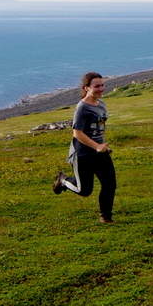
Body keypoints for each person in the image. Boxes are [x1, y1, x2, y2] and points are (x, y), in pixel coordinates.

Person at [53, 71, 116, 224]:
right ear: (86, 88)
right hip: (83, 155)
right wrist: (97, 146)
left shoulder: (101, 104)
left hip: (100, 152)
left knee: (110, 185)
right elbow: (77, 133)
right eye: (96, 86)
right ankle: (63, 180)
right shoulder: (82, 108)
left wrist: (102, 146)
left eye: (102, 85)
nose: (101, 88)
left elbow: (97, 128)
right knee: (84, 191)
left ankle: (105, 217)